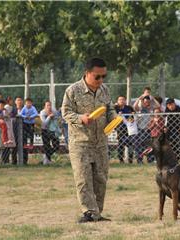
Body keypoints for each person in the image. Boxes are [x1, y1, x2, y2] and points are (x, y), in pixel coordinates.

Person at [62, 57, 117, 223]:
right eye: (97, 77)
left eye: (104, 77)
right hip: (81, 143)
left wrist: (114, 118)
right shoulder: (73, 91)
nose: (101, 80)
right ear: (87, 73)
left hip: (100, 143)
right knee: (83, 179)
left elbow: (110, 109)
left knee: (101, 179)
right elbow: (65, 112)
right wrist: (80, 118)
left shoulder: (104, 90)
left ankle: (97, 213)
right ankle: (89, 212)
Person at [133, 95, 156, 163]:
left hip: (148, 130)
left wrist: (153, 98)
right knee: (139, 145)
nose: (147, 103)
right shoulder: (140, 108)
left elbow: (158, 106)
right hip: (140, 129)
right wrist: (139, 98)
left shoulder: (151, 109)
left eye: (148, 102)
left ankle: (150, 159)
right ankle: (140, 160)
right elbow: (134, 106)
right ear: (143, 102)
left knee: (149, 145)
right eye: (145, 102)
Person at [114, 95, 134, 163]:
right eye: (120, 99)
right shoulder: (115, 108)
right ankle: (121, 159)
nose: (121, 101)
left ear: (125, 101)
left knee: (130, 144)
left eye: (123, 99)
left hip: (129, 128)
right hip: (120, 128)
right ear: (117, 101)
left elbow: (133, 116)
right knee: (120, 144)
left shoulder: (129, 108)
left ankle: (130, 159)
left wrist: (131, 116)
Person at [40, 101, 60, 165]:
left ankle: (46, 155)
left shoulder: (54, 111)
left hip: (53, 131)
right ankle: (47, 160)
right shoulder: (42, 112)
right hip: (45, 130)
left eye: (50, 105)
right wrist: (49, 117)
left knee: (57, 145)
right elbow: (44, 123)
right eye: (47, 105)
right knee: (46, 146)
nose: (49, 107)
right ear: (44, 107)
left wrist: (58, 130)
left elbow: (57, 120)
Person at [20, 98, 38, 164]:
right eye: (27, 103)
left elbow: (36, 113)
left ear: (32, 103)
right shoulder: (24, 108)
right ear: (25, 103)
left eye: (30, 103)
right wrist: (25, 116)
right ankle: (25, 143)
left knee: (31, 133)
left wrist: (31, 116)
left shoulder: (33, 108)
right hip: (25, 122)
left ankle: (31, 143)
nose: (29, 104)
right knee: (25, 134)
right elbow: (21, 114)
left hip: (31, 123)